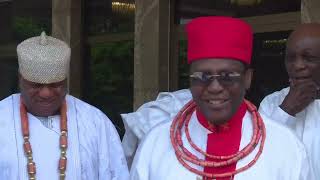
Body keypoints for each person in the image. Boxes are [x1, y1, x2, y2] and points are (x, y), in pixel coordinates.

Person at [129, 17, 314, 180]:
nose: (215, 87)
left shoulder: (285, 145)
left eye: (227, 76)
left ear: (247, 78)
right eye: (203, 77)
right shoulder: (156, 143)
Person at [0, 32, 129, 180]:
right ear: (20, 80)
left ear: (66, 81)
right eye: (36, 85)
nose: (46, 93)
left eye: (55, 85)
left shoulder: (95, 122)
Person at [259, 23, 320, 179]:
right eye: (290, 58)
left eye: (309, 58)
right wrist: (286, 111)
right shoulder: (271, 103)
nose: (297, 66)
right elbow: (259, 160)